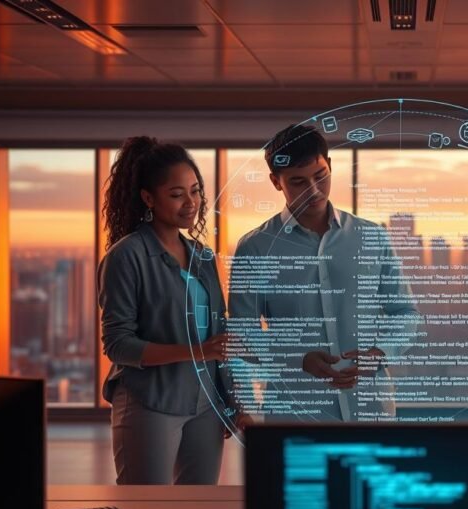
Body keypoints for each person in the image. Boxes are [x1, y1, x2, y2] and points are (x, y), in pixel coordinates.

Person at [228, 125, 419, 421]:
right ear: (276, 182)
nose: (314, 191)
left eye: (320, 176)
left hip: (370, 409)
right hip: (294, 411)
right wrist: (299, 360)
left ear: (330, 165)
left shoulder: (373, 236)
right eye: (298, 182)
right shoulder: (255, 248)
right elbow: (242, 335)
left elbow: (405, 313)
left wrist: (379, 353)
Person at [98, 136, 242, 485]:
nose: (191, 203)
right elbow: (118, 344)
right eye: (177, 194)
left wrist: (231, 400)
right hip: (150, 403)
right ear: (148, 198)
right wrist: (194, 352)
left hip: (206, 407)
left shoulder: (203, 257)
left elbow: (220, 340)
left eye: (195, 191)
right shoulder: (126, 257)